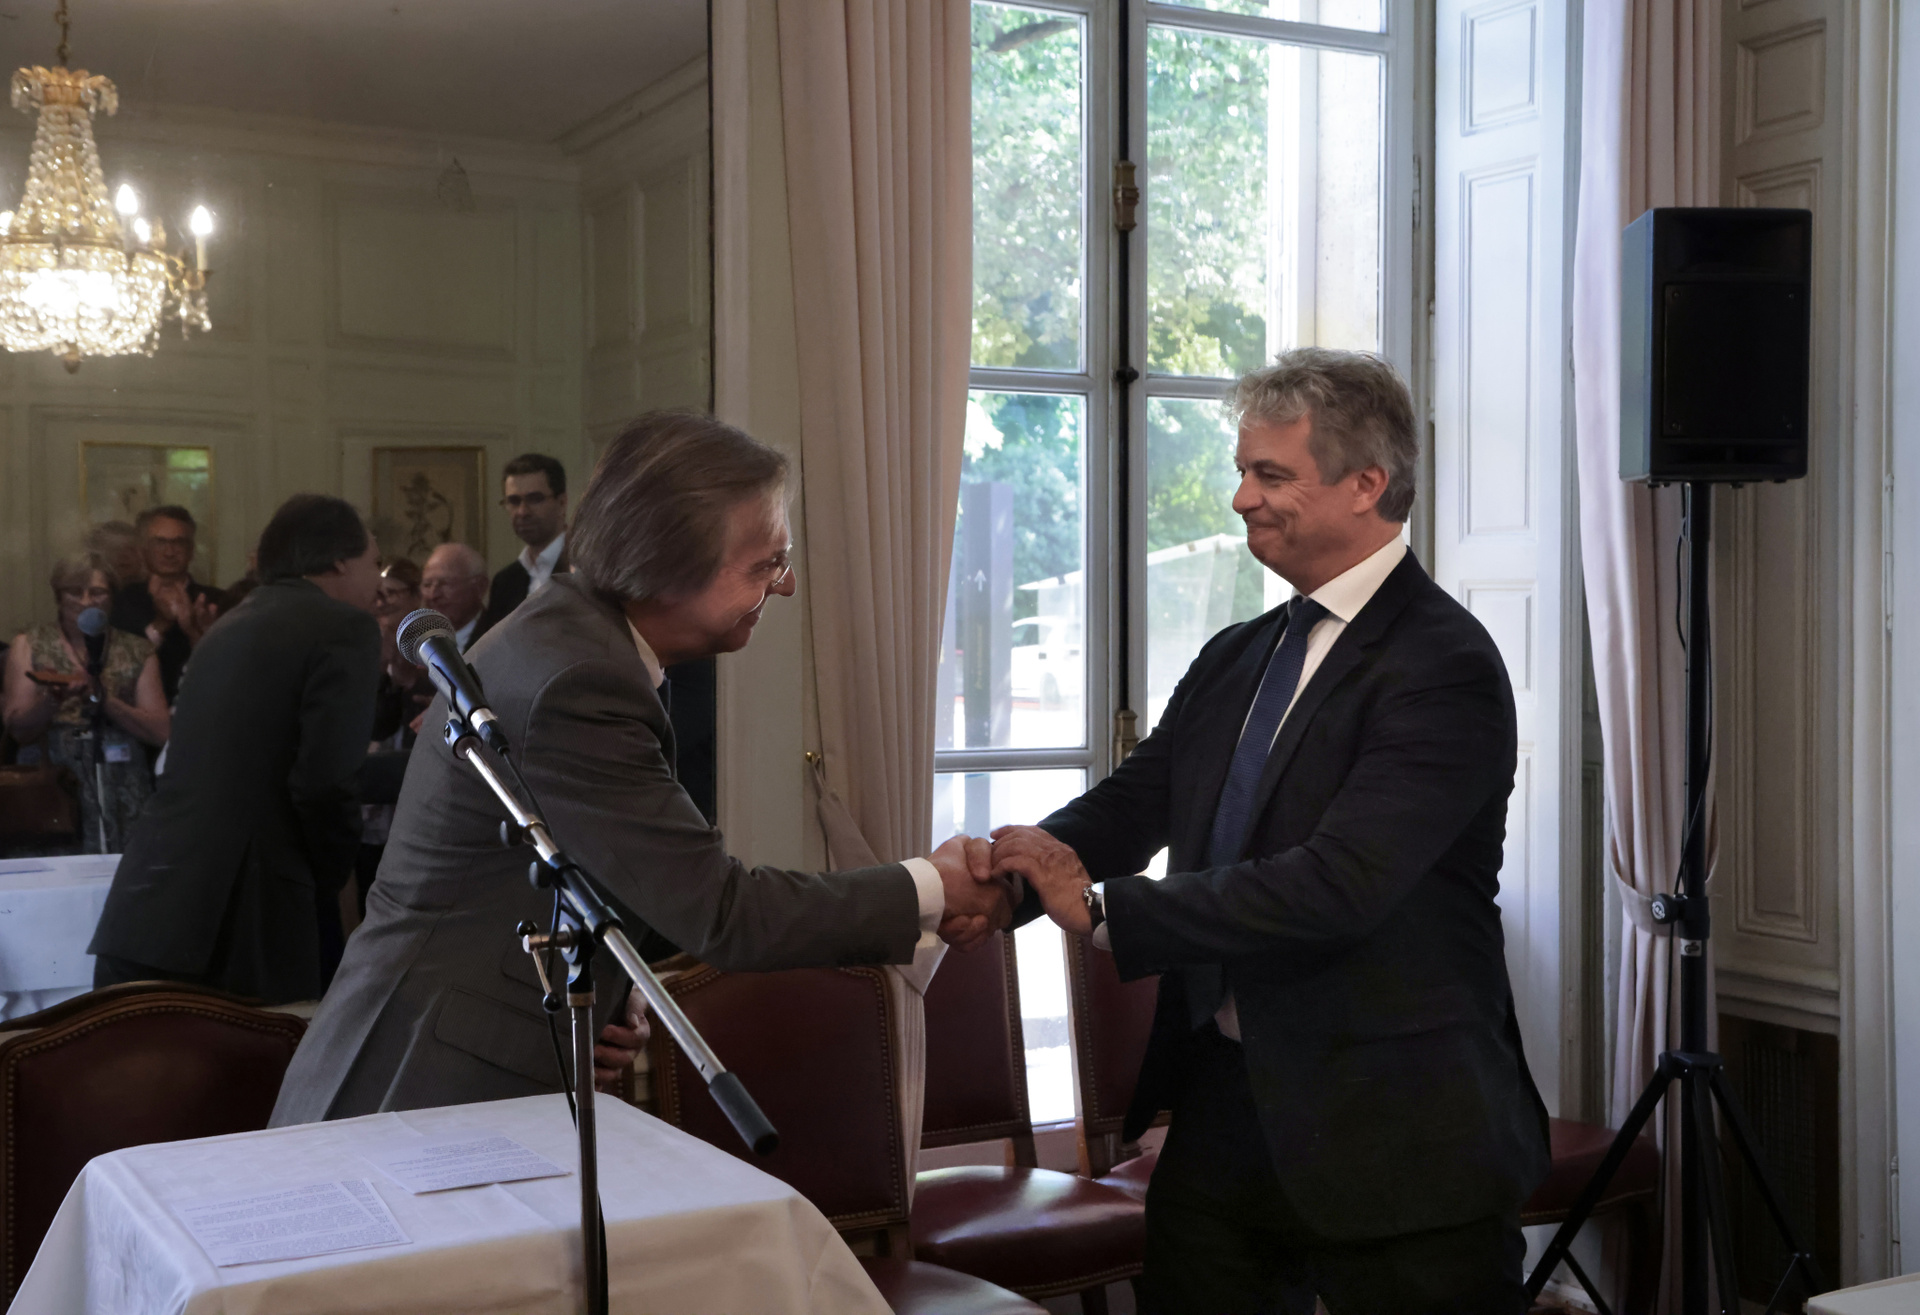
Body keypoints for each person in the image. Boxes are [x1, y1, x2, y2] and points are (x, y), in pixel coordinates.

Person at [990, 349, 1550, 1315]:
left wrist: (1102, 909)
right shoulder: (1239, 653)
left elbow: (1339, 883)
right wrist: (1003, 878)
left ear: (1366, 483)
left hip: (1399, 1131)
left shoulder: (1444, 662)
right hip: (1225, 1108)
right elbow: (1133, 804)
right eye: (1243, 470)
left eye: (1270, 474)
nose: (1240, 497)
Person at [271, 411, 1011, 1126]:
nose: (785, 585)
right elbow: (724, 913)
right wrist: (933, 885)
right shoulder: (577, 681)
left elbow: (587, 867)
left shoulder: (579, 640)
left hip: (457, 1066)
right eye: (766, 564)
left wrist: (603, 983)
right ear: (666, 567)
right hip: (413, 1088)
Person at [89, 494, 385, 1003]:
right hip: (240, 925)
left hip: (148, 908)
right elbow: (324, 781)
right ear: (339, 560)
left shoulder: (231, 623)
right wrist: (329, 882)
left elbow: (256, 759)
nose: (379, 582)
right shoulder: (343, 626)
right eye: (374, 563)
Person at [2, 555, 169, 853]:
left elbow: (160, 732)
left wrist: (105, 700)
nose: (86, 601)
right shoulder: (30, 643)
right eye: (74, 592)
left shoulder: (137, 649)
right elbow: (17, 728)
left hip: (121, 782)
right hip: (52, 783)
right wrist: (51, 700)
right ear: (58, 596)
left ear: (112, 597)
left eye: (97, 592)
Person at [109, 505, 218, 703]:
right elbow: (119, 669)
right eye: (160, 542)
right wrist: (160, 624)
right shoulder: (122, 600)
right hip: (138, 709)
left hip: (201, 704)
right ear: (144, 549)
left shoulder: (215, 601)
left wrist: (196, 631)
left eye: (179, 542)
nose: (169, 552)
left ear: (191, 550)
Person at [479, 452, 569, 630]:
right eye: (513, 501)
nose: (522, 511)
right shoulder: (505, 581)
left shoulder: (586, 569)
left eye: (535, 499)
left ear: (562, 503)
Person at [420, 542, 492, 652]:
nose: (433, 595)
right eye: (427, 585)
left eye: (445, 583)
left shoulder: (499, 638)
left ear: (480, 586)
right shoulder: (418, 643)